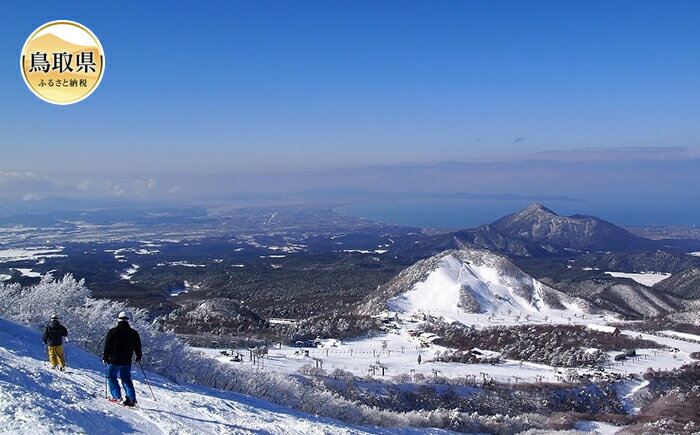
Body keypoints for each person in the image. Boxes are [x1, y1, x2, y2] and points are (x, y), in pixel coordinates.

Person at [103, 311, 142, 407]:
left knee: (111, 377)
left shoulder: (113, 332)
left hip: (114, 360)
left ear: (118, 319)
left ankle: (116, 397)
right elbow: (138, 346)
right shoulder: (133, 333)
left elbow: (107, 346)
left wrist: (105, 357)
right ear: (128, 320)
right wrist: (138, 357)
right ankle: (131, 400)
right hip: (127, 360)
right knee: (126, 379)